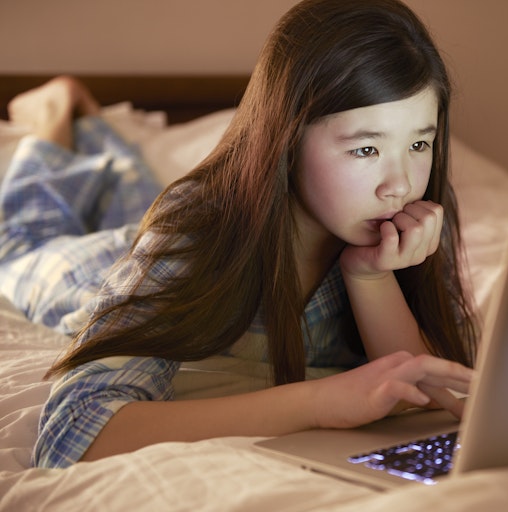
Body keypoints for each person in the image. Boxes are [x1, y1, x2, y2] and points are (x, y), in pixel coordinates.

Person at [0, 0, 478, 469]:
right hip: (104, 267)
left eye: (419, 143)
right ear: (286, 137)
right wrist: (317, 401)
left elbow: (437, 391)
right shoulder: (196, 234)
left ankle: (102, 139)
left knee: (140, 196)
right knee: (23, 246)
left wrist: (371, 278)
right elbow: (73, 432)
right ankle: (55, 114)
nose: (399, 184)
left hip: (168, 231)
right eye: (365, 149)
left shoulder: (418, 219)